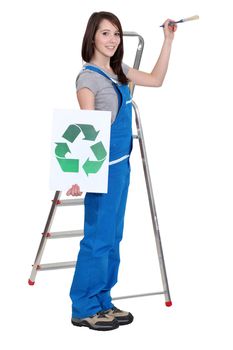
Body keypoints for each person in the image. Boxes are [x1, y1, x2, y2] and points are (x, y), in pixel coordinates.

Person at [66, 11, 177, 331]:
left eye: (116, 33)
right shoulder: (87, 78)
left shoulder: (120, 72)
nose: (113, 39)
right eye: (105, 33)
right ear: (92, 38)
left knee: (113, 237)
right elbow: (84, 128)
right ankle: (83, 306)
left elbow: (156, 80)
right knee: (97, 239)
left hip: (121, 167)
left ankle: (102, 300)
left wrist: (167, 41)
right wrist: (77, 176)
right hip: (100, 169)